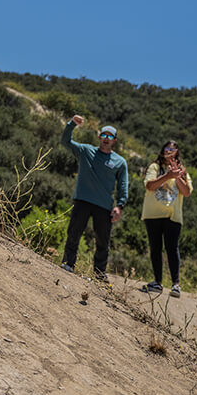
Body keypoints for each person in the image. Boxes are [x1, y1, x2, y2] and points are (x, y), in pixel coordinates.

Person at [58, 115, 129, 280]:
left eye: (110, 136)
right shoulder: (85, 150)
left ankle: (99, 274)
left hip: (104, 206)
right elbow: (65, 141)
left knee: (103, 242)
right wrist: (71, 124)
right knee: (74, 233)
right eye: (104, 135)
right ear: (99, 137)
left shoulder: (120, 162)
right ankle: (68, 263)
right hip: (82, 200)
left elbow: (123, 186)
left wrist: (120, 205)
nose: (106, 138)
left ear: (114, 141)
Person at [139, 140, 193, 297]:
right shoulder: (155, 167)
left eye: (173, 149)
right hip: (153, 214)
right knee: (155, 248)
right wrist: (167, 175)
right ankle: (158, 282)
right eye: (167, 148)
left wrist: (177, 176)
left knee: (172, 248)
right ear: (162, 151)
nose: (169, 151)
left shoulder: (182, 170)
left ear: (177, 153)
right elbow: (150, 186)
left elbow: (187, 192)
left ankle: (176, 284)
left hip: (173, 216)